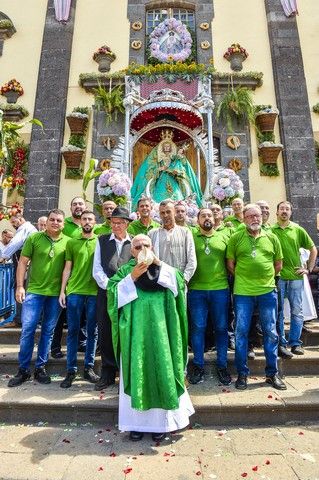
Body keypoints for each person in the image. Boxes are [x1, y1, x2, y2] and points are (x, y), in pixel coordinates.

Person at [107, 234, 194, 441]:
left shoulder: (165, 269)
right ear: (132, 251)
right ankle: (135, 424)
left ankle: (161, 424)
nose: (142, 249)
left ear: (153, 248)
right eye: (137, 246)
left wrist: (158, 264)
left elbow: (179, 286)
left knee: (162, 370)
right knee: (138, 371)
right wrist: (133, 277)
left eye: (146, 245)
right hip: (135, 334)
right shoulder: (125, 271)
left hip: (162, 332)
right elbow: (112, 292)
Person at [227, 204, 286, 391]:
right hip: (243, 292)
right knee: (241, 333)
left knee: (270, 332)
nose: (255, 219)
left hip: (267, 291)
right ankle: (242, 374)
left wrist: (263, 278)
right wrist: (246, 278)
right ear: (244, 218)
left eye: (258, 215)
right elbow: (230, 263)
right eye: (251, 216)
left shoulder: (272, 237)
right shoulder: (236, 238)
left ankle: (272, 374)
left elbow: (278, 264)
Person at [8, 209, 69, 387]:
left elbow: (68, 269)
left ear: (63, 224)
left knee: (48, 332)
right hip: (34, 292)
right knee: (28, 330)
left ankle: (40, 368)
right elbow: (22, 263)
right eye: (52, 219)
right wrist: (20, 286)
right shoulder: (34, 238)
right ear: (46, 221)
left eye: (59, 220)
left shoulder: (68, 242)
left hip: (55, 295)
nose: (55, 223)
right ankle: (23, 370)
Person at [188, 208, 231, 385]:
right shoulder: (190, 237)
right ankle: (198, 365)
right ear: (197, 220)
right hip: (196, 290)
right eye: (203, 215)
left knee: (221, 328)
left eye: (209, 215)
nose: (207, 218)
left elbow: (231, 262)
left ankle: (222, 365)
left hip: (220, 289)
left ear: (215, 219)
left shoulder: (224, 237)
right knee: (198, 328)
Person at [92, 206, 133, 390]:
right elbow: (97, 269)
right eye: (113, 222)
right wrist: (110, 286)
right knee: (106, 330)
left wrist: (124, 287)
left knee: (127, 330)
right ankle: (107, 372)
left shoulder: (133, 244)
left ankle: (127, 372)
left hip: (129, 294)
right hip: (107, 293)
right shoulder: (101, 241)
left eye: (119, 223)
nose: (115, 226)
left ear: (126, 224)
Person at [272, 201, 317, 355]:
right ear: (276, 212)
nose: (284, 211)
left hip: (295, 277)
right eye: (281, 209)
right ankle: (281, 344)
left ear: (291, 212)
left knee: (296, 311)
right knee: (278, 312)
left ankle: (295, 343)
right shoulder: (271, 230)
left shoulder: (297, 229)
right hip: (277, 278)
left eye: (287, 209)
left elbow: (313, 249)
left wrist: (308, 269)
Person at [59, 211, 99, 388]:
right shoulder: (72, 242)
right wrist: (62, 291)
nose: (87, 221)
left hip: (94, 292)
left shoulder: (100, 241)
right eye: (84, 219)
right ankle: (71, 370)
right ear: (80, 222)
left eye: (90, 219)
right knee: (73, 331)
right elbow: (67, 268)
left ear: (95, 222)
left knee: (92, 331)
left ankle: (89, 367)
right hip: (75, 291)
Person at [131, 130, 202, 209]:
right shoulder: (159, 159)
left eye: (168, 146)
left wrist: (174, 167)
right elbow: (152, 169)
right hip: (161, 179)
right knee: (158, 198)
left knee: (177, 198)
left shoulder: (174, 158)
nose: (166, 148)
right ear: (161, 147)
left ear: (171, 147)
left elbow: (179, 167)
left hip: (173, 180)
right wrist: (159, 169)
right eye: (165, 146)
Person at [149, 200, 197, 284]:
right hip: (159, 282)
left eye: (168, 212)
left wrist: (184, 279)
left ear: (174, 212)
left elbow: (192, 259)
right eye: (162, 213)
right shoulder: (152, 234)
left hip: (179, 281)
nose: (165, 215)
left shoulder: (185, 232)